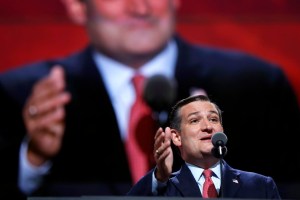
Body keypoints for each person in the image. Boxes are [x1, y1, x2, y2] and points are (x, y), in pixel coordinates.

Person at [0, 0, 299, 199]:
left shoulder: (258, 86)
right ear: (77, 6)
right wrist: (34, 159)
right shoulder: (17, 92)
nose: (141, 8)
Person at [127, 94, 281, 199]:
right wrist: (160, 177)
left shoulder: (260, 186)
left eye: (214, 119)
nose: (208, 126)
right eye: (194, 120)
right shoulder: (165, 188)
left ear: (222, 130)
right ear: (176, 137)